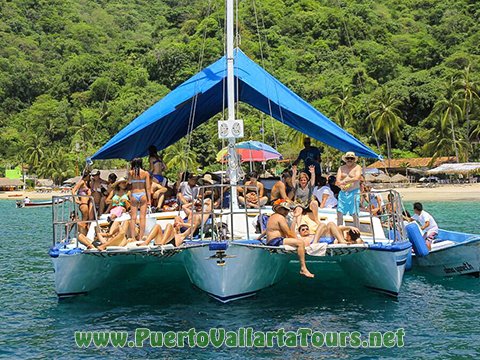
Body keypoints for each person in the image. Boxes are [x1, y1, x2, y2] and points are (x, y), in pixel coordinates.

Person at [266, 200, 314, 278]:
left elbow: (266, 231)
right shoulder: (280, 217)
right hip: (275, 241)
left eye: (287, 210)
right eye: (284, 209)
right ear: (279, 208)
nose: (286, 212)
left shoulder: (272, 216)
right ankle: (303, 268)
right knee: (300, 243)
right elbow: (288, 233)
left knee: (298, 241)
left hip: (273, 240)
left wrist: (259, 238)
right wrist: (299, 240)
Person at [336, 152, 362, 227]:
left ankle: (357, 233)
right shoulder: (341, 168)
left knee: (355, 213)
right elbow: (337, 181)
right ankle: (339, 232)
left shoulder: (357, 167)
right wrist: (341, 186)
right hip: (343, 192)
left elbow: (357, 177)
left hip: (354, 192)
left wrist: (345, 181)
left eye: (352, 158)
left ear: (354, 159)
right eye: (348, 158)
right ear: (345, 159)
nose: (349, 160)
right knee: (339, 212)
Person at [128, 158, 151, 241]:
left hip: (134, 194)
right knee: (142, 217)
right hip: (143, 194)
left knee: (133, 217)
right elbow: (148, 187)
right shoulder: (145, 173)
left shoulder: (131, 173)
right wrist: (149, 200)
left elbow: (129, 183)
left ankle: (133, 237)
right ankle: (141, 237)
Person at [72, 170, 94, 235]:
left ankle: (83, 234)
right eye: (89, 176)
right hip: (83, 204)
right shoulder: (81, 182)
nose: (90, 177)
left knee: (86, 220)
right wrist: (75, 199)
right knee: (84, 221)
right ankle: (81, 234)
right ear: (86, 176)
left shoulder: (86, 182)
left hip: (86, 204)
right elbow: (73, 190)